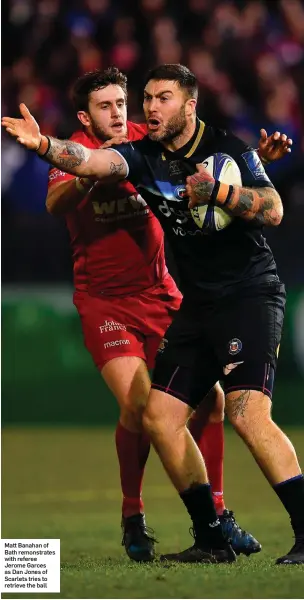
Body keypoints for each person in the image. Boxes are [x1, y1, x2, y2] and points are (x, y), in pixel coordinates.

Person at [3, 63, 302, 566]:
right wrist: (43, 146)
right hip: (165, 303)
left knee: (244, 413)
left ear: (189, 104)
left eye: (160, 98)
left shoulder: (225, 147)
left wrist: (224, 191)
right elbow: (87, 164)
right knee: (158, 417)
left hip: (243, 295)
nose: (144, 108)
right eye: (145, 98)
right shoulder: (142, 154)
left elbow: (272, 210)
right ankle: (207, 538)